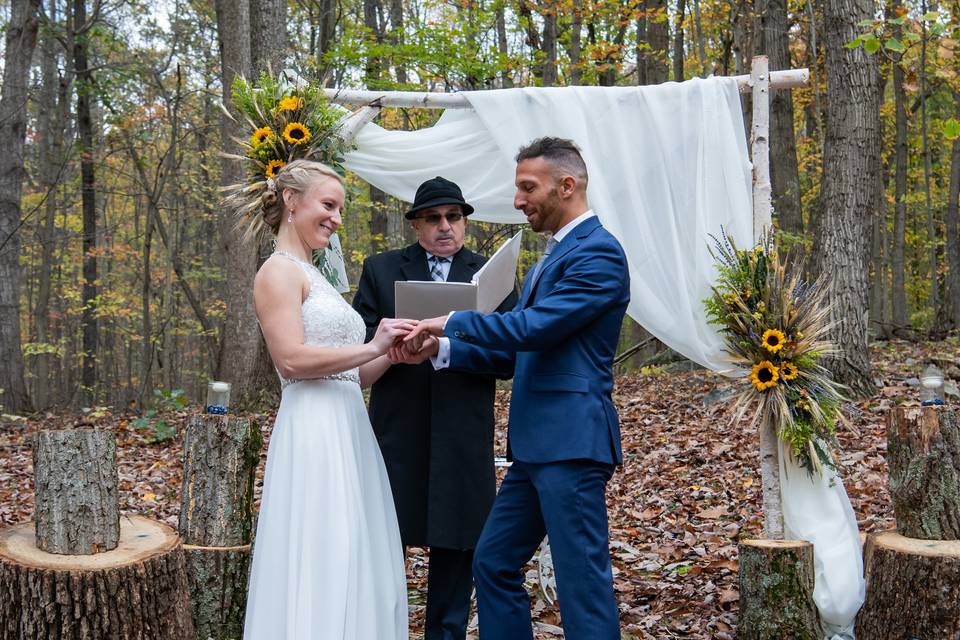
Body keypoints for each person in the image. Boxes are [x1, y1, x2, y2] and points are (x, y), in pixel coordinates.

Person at [400, 138, 630, 640]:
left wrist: (452, 320)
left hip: (571, 442)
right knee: (494, 562)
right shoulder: (556, 255)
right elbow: (517, 353)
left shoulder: (599, 254)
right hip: (534, 448)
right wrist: (441, 350)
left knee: (581, 580)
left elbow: (534, 328)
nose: (519, 200)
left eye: (528, 187)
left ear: (566, 186)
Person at [243, 159, 412, 639]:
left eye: (340, 208)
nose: (337, 218)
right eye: (328, 205)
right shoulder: (277, 273)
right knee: (322, 548)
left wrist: (393, 356)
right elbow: (291, 361)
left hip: (348, 425)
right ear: (292, 202)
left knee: (355, 547)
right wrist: (372, 345)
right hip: (313, 429)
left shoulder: (319, 278)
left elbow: (352, 376)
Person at [352, 176, 517, 640]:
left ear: (464, 221)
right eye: (433, 218)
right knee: (384, 539)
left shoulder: (492, 274)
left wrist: (449, 344)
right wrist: (389, 345)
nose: (445, 226)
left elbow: (510, 357)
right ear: (416, 225)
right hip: (396, 427)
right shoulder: (381, 270)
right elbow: (358, 345)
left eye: (454, 217)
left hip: (463, 428)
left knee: (460, 542)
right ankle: (379, 629)